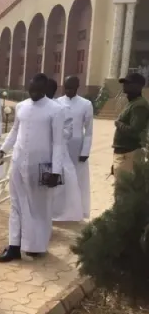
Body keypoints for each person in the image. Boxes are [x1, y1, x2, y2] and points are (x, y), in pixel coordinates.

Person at [0, 73, 65, 262]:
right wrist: (3, 149)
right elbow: (15, 130)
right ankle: (13, 246)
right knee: (16, 204)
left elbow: (58, 143)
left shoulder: (55, 110)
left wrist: (56, 172)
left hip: (42, 166)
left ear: (44, 90)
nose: (33, 93)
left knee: (38, 207)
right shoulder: (21, 106)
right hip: (18, 162)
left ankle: (36, 245)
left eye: (37, 90)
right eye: (31, 89)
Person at [46, 78, 84, 222]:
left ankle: (59, 212)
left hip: (58, 149)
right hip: (39, 150)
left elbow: (68, 131)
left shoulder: (61, 108)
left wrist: (56, 134)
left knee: (64, 181)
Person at [58, 76, 94, 218]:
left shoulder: (86, 104)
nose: (68, 90)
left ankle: (78, 211)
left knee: (78, 179)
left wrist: (85, 151)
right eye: (66, 87)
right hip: (61, 146)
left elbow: (89, 131)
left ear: (77, 87)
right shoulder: (57, 103)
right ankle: (61, 210)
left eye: (71, 88)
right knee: (62, 177)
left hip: (78, 146)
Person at [112, 72, 149, 180]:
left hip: (129, 154)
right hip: (123, 153)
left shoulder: (139, 105)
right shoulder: (132, 103)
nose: (125, 85)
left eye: (129, 83)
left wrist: (119, 124)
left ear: (138, 86)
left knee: (125, 190)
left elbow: (135, 132)